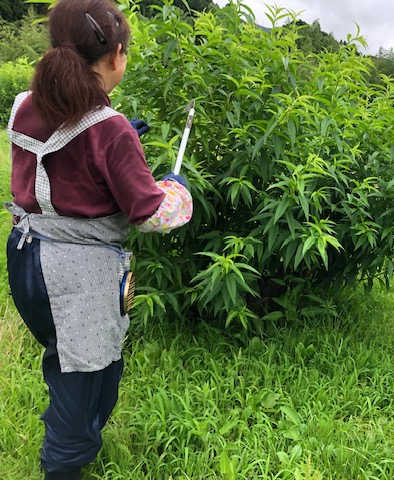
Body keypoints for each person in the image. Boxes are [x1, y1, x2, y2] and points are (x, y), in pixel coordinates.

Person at [5, 0, 192, 478]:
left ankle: (80, 439)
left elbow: (67, 158)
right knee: (82, 380)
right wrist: (176, 191)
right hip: (77, 276)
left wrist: (120, 137)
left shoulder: (24, 105)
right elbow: (150, 213)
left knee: (71, 360)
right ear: (117, 55)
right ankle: (63, 465)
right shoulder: (109, 132)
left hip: (27, 256)